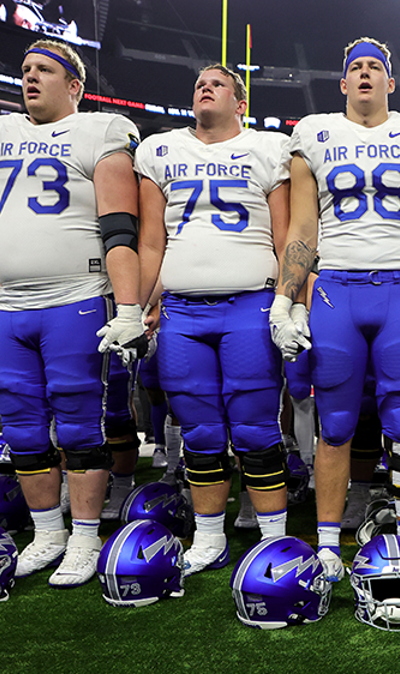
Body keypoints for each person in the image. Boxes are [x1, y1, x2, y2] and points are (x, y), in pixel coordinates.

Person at [0, 39, 146, 588]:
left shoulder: (100, 131)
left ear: (75, 86)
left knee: (80, 419)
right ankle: (47, 533)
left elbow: (119, 229)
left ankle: (84, 536)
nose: (30, 77)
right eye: (26, 68)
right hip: (11, 304)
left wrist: (128, 306)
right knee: (21, 425)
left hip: (77, 296)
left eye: (45, 70)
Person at [272, 37, 400, 580]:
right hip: (335, 288)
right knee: (334, 422)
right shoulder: (315, 133)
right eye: (354, 67)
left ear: (389, 82)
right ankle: (328, 544)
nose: (364, 74)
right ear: (342, 82)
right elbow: (303, 230)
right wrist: (285, 300)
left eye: (374, 67)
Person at [137, 64, 292, 575]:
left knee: (255, 429)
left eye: (218, 83)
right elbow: (152, 241)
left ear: (240, 102)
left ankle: (274, 538)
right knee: (199, 431)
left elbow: (285, 235)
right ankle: (208, 539)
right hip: (181, 308)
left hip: (250, 303)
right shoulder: (161, 150)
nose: (205, 87)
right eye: (200, 82)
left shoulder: (269, 149)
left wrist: (292, 302)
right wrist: (136, 306)